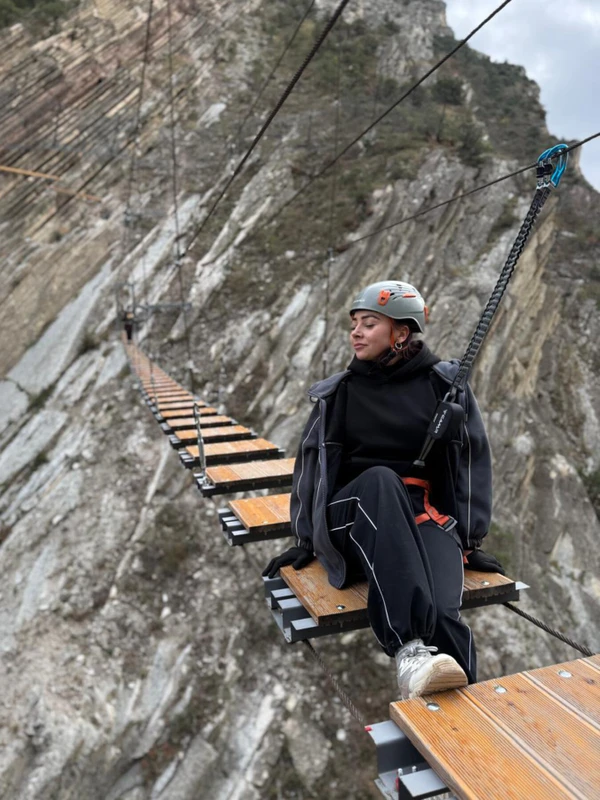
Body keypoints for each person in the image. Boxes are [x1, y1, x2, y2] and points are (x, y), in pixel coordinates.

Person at [263, 280, 503, 699]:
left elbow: (471, 464)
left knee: (444, 612)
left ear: (401, 333)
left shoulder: (442, 388)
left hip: (417, 515)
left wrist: (469, 537)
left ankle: (468, 722)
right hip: (353, 516)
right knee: (380, 481)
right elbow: (311, 464)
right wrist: (304, 538)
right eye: (354, 324)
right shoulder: (340, 393)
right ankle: (408, 650)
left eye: (368, 323)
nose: (355, 332)